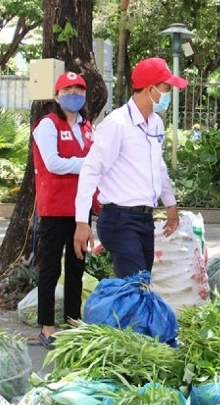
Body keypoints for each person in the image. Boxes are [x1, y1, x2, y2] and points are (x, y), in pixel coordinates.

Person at [73, 57, 187, 278]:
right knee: (136, 287)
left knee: (140, 285)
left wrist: (170, 205)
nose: (169, 94)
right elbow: (91, 170)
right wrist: (81, 222)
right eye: (166, 88)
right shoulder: (117, 124)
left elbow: (159, 166)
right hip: (119, 219)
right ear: (150, 89)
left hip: (144, 219)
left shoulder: (156, 123)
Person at [32, 71, 93, 349]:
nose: (74, 94)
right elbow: (54, 163)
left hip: (81, 208)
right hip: (55, 208)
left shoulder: (87, 125)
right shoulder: (47, 125)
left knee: (77, 265)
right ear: (56, 96)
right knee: (50, 268)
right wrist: (88, 165)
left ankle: (73, 320)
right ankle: (47, 326)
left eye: (79, 90)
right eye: (68, 90)